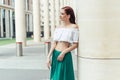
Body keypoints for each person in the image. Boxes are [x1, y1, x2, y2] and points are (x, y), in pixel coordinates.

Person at [47, 6, 79, 80]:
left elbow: (75, 44)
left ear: (68, 16)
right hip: (55, 54)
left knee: (64, 77)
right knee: (55, 77)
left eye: (62, 14)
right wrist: (48, 57)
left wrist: (64, 52)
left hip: (65, 55)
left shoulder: (74, 27)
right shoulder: (58, 27)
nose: (60, 15)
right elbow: (54, 43)